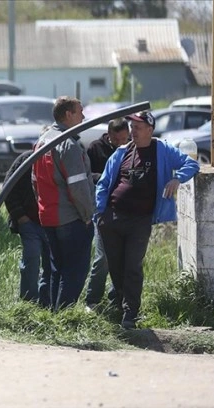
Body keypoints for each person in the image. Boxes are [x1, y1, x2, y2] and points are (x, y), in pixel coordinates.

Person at [95, 111, 198, 329]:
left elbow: (191, 164)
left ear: (150, 130)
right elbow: (104, 184)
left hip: (139, 220)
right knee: (116, 266)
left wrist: (176, 179)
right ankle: (120, 305)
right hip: (112, 218)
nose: (133, 132)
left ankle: (130, 313)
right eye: (132, 127)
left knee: (133, 265)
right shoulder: (122, 152)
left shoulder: (162, 149)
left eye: (138, 128)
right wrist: (99, 213)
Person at [32, 96, 95, 311]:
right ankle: (65, 317)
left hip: (48, 217)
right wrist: (87, 215)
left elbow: (35, 182)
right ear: (68, 114)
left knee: (56, 269)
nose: (83, 116)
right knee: (74, 271)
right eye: (80, 111)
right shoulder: (68, 144)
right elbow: (78, 187)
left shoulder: (42, 141)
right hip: (70, 218)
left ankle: (53, 314)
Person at [84, 118, 130, 310]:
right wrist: (107, 177)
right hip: (102, 209)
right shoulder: (95, 149)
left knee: (122, 258)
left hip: (125, 210)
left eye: (124, 139)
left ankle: (116, 300)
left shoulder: (132, 149)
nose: (121, 143)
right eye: (117, 139)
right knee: (102, 258)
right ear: (109, 135)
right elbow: (86, 174)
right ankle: (92, 300)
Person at [4, 151, 52, 307]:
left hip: (52, 222)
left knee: (51, 263)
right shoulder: (26, 160)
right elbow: (8, 188)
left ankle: (46, 302)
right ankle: (28, 302)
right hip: (29, 220)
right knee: (31, 257)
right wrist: (20, 216)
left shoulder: (57, 159)